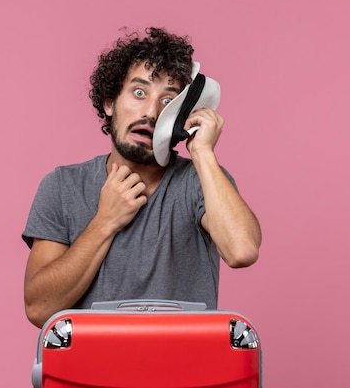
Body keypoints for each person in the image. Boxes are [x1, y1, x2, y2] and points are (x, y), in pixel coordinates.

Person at [22, 27, 261, 328]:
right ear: (110, 102)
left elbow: (243, 250)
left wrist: (203, 152)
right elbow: (39, 308)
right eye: (139, 92)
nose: (151, 112)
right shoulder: (62, 186)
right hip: (90, 371)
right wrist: (105, 222)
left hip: (186, 370)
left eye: (167, 101)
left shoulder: (202, 181)